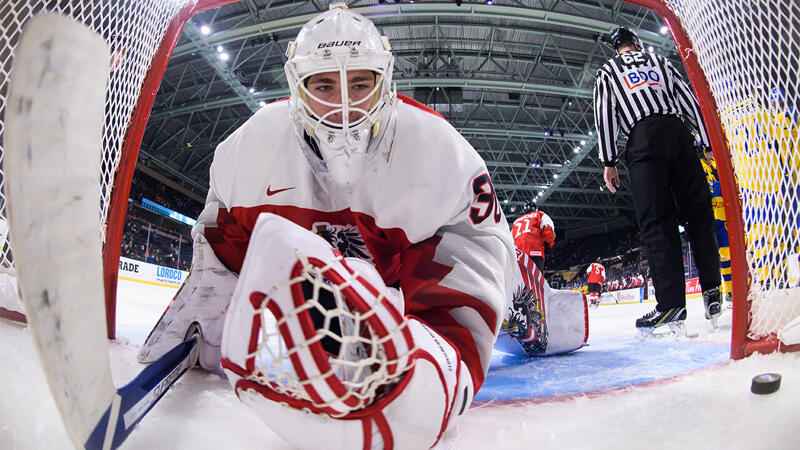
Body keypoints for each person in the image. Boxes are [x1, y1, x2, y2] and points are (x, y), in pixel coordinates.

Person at [136, 5, 519, 448]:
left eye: (360, 83)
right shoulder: (252, 147)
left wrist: (434, 376)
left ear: (385, 82)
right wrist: (211, 302)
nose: (344, 106)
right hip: (347, 285)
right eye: (323, 85)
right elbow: (225, 238)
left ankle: (538, 303)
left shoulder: (439, 152)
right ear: (297, 87)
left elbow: (470, 268)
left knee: (520, 310)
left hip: (408, 281)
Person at [593, 26, 722, 333]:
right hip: (678, 134)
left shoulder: (608, 70)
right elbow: (689, 101)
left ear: (616, 48)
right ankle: (712, 290)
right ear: (636, 43)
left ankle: (671, 304)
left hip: (643, 140)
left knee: (657, 222)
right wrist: (706, 143)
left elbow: (605, 114)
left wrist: (609, 160)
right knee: (698, 212)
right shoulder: (660, 61)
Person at [693, 127, 733, 306]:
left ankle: (731, 292)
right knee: (714, 258)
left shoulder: (717, 164)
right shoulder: (698, 166)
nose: (711, 152)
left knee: (726, 253)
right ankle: (716, 295)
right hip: (709, 216)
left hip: (724, 214)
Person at [511, 201, 555, 270]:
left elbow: (510, 240)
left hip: (519, 254)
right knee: (536, 276)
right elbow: (548, 227)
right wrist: (548, 244)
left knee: (521, 276)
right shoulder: (540, 214)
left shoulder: (516, 221)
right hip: (535, 251)